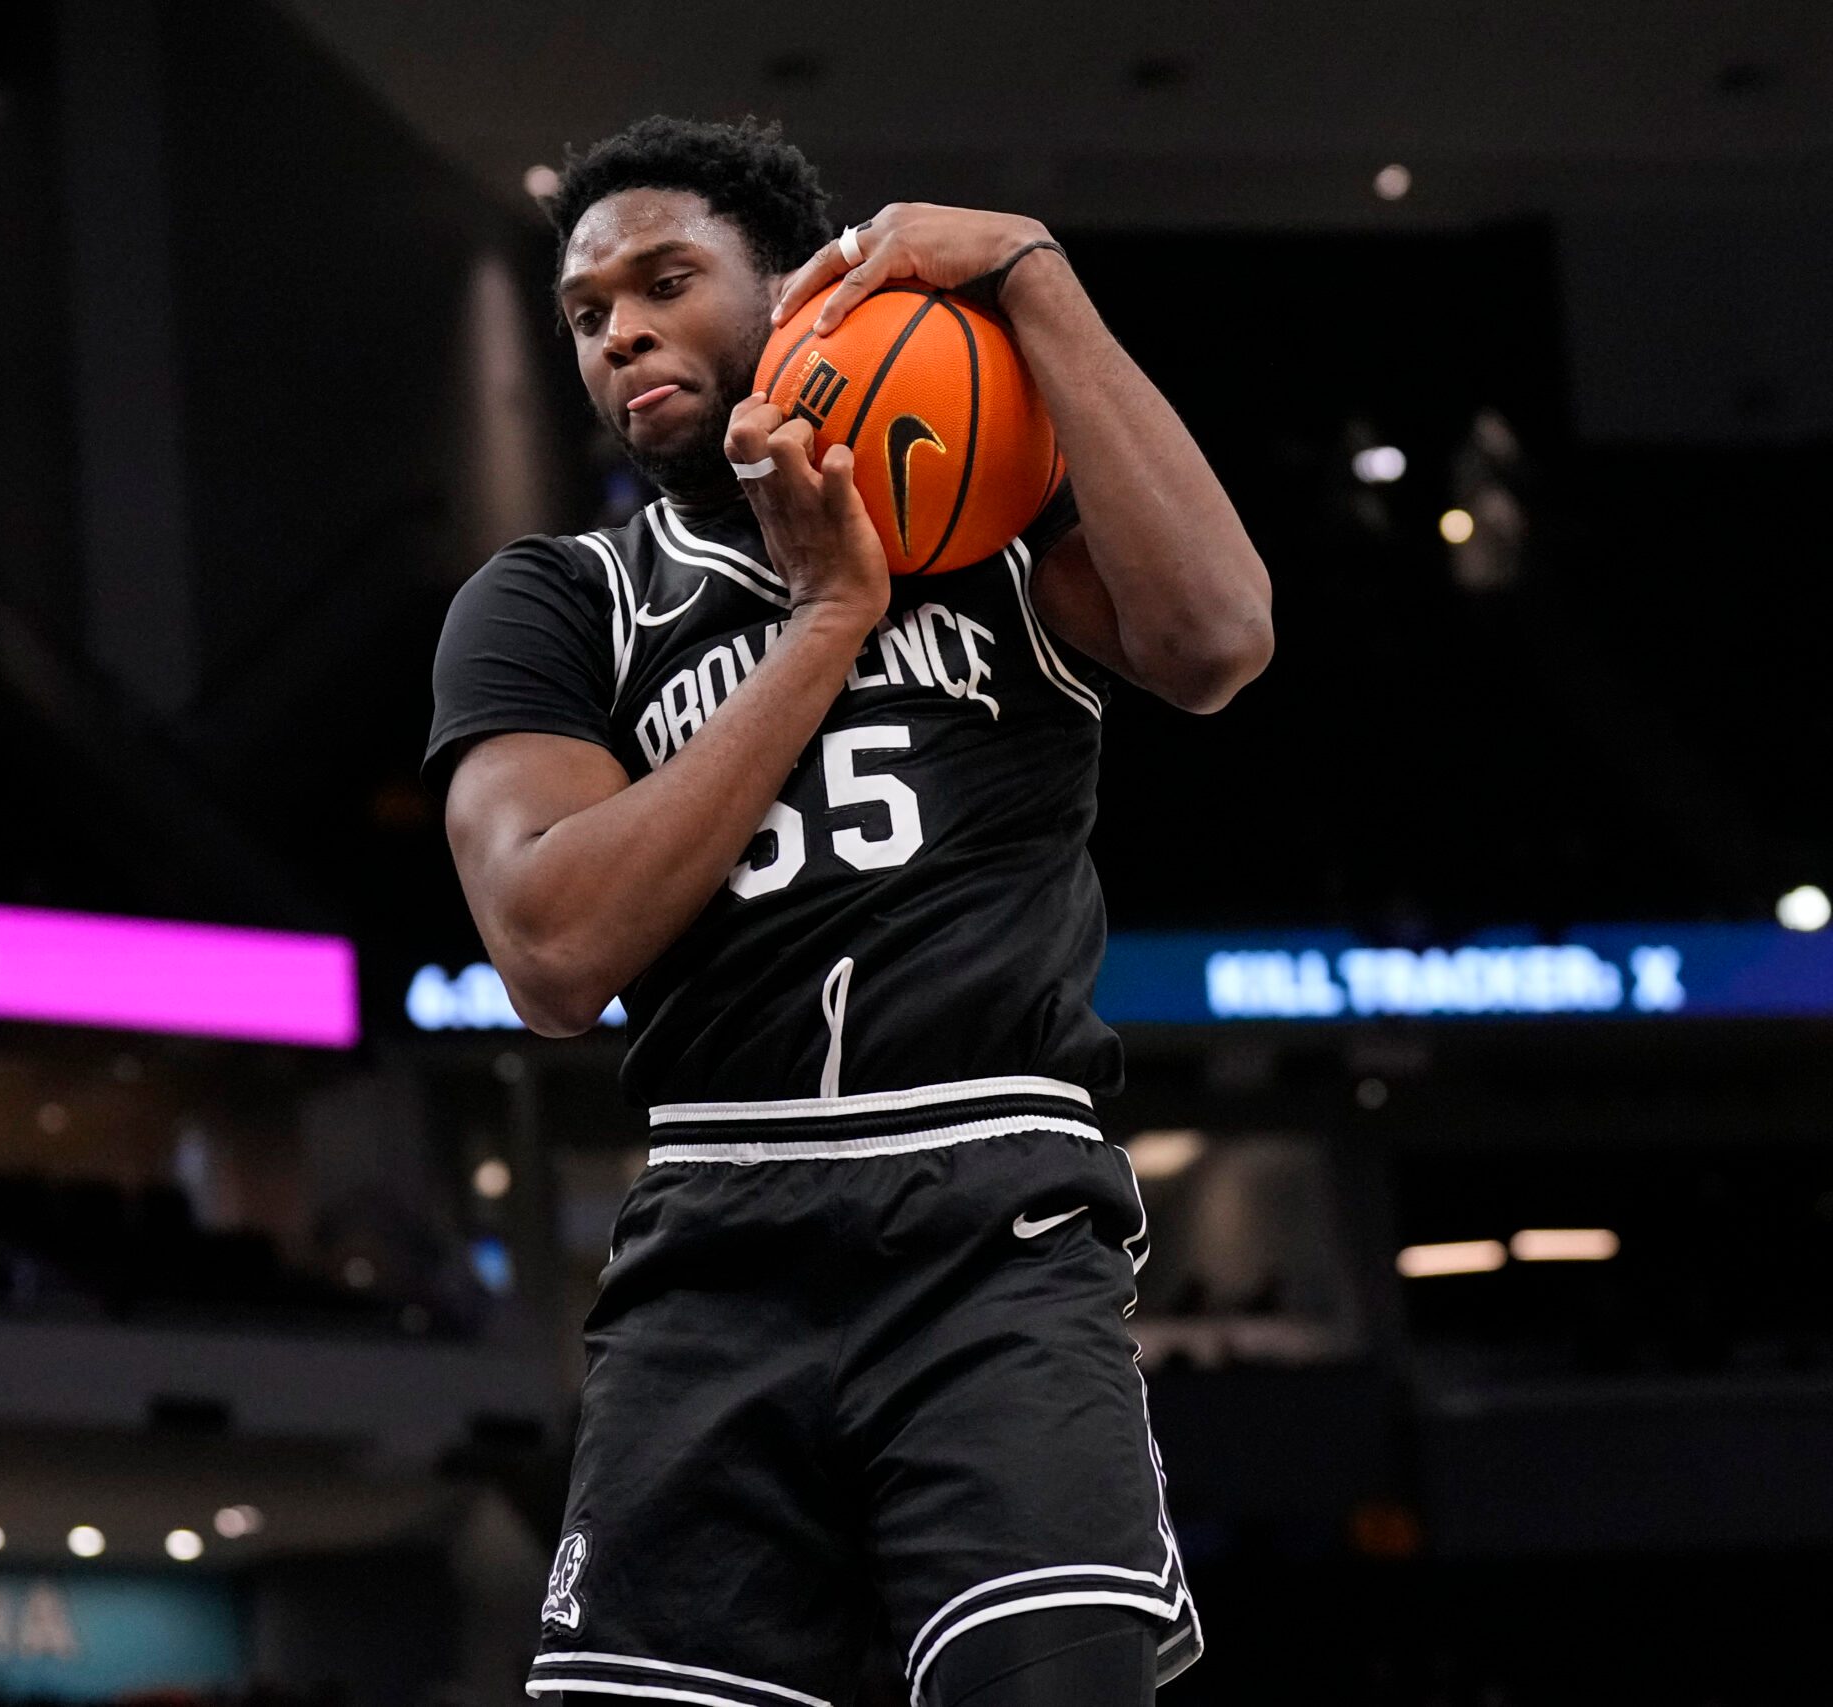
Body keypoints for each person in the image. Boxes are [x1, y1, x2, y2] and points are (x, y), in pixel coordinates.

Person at [426, 116, 1270, 1707]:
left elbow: (1220, 638)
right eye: (589, 312)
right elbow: (548, 948)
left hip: (994, 1224)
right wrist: (825, 621)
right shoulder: (557, 601)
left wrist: (1033, 277)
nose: (622, 332)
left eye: (667, 281)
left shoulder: (1004, 550)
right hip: (711, 1239)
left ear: (798, 290)